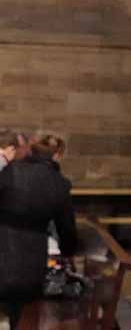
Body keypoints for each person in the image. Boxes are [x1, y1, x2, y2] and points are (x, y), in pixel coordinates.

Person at [0, 133, 77, 329]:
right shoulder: (60, 184)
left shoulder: (10, 170)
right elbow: (66, 228)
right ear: (57, 155)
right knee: (18, 311)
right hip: (30, 258)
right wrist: (69, 252)